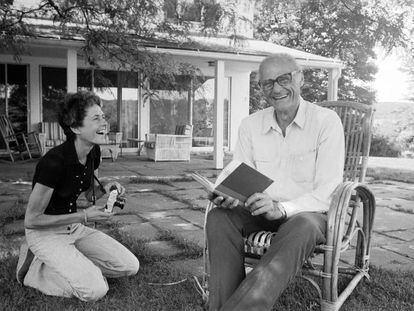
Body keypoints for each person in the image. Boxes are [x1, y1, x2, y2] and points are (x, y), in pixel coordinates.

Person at [206, 53, 345, 311]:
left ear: (300, 78)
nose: (276, 89)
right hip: (259, 209)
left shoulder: (326, 122)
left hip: (308, 214)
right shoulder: (250, 125)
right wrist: (230, 194)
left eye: (283, 79)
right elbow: (240, 173)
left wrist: (281, 208)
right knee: (219, 217)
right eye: (268, 83)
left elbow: (328, 190)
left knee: (303, 225)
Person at [15, 91, 139, 302]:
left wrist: (105, 189)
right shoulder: (53, 163)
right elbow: (32, 220)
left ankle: (73, 265)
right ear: (75, 128)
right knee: (94, 291)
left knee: (130, 266)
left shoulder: (93, 152)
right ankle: (34, 272)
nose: (105, 123)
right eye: (96, 118)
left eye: (103, 116)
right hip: (44, 233)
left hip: (74, 229)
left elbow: (89, 192)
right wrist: (83, 216)